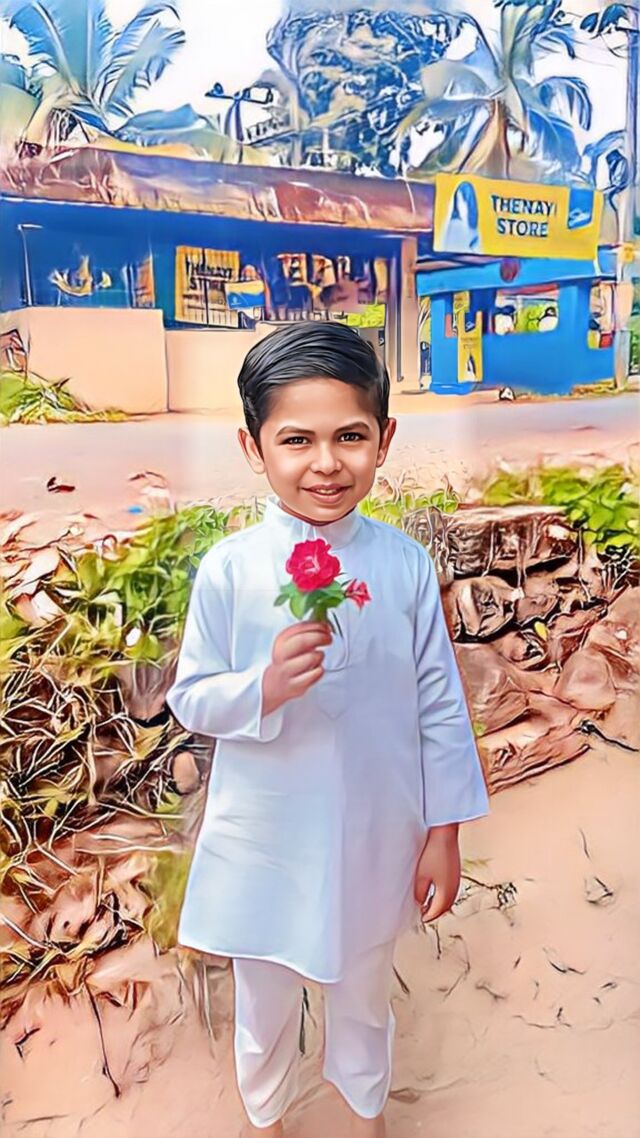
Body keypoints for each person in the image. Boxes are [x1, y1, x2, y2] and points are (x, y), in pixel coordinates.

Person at [166, 322, 490, 1137]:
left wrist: (444, 832)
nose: (326, 463)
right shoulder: (232, 570)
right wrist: (264, 687)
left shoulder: (403, 565)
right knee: (264, 1006)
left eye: (350, 436)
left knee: (364, 998)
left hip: (375, 835)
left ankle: (365, 1117)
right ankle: (268, 1121)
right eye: (296, 440)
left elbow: (439, 704)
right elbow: (193, 697)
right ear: (253, 447)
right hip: (266, 839)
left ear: (384, 438)